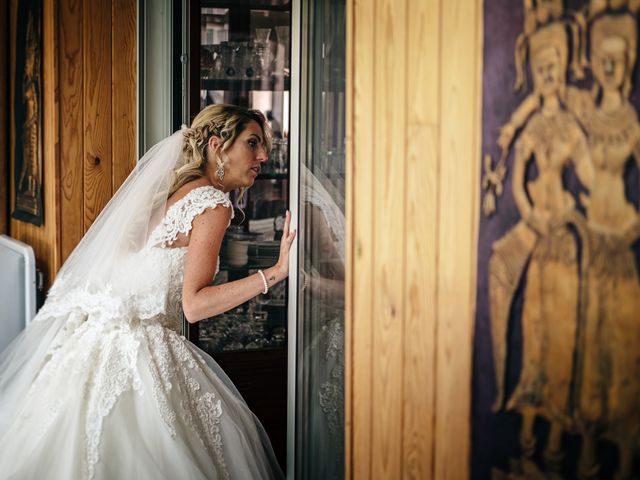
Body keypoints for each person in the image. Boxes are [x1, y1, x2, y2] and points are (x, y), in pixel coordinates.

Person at [0, 104, 295, 480]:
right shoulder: (213, 204)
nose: (263, 156)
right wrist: (275, 272)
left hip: (93, 343)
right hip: (140, 347)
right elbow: (194, 305)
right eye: (253, 143)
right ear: (218, 146)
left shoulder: (175, 192)